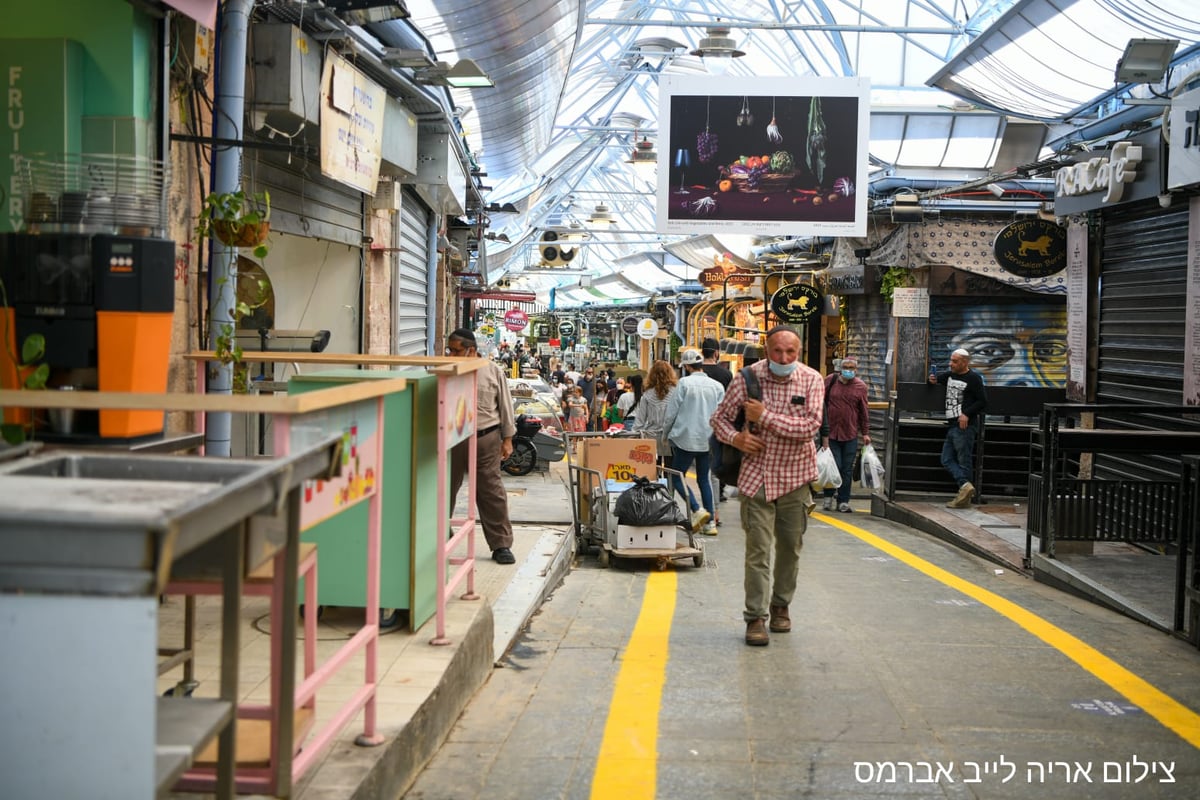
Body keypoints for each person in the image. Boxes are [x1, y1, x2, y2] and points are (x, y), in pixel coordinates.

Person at [710, 325, 824, 646]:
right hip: (756, 476)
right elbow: (719, 419)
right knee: (757, 550)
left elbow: (809, 428)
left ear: (798, 352)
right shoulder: (747, 379)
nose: (784, 357)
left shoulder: (812, 379)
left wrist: (766, 417)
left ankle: (781, 605)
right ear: (766, 350)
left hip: (796, 476)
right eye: (777, 351)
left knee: (790, 548)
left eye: (791, 352)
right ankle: (755, 617)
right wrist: (737, 438)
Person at [445, 328, 518, 564]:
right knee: (444, 488)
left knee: (491, 491)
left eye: (456, 350)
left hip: (486, 437)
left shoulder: (492, 371)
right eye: (450, 349)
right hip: (452, 438)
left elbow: (506, 407)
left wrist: (507, 439)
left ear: (472, 350)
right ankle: (438, 534)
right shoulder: (445, 369)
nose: (451, 354)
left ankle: (501, 545)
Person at [663, 349, 725, 535]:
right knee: (703, 479)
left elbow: (672, 413)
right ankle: (710, 524)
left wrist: (665, 434)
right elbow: (722, 415)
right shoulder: (717, 386)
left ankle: (697, 510)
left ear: (688, 366)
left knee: (677, 476)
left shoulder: (683, 384)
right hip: (708, 439)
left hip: (685, 438)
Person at [929, 347, 988, 509]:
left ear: (964, 362)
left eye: (955, 361)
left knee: (964, 461)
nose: (951, 364)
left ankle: (964, 497)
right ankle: (965, 486)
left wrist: (966, 414)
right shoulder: (950, 376)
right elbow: (935, 380)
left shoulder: (974, 378)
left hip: (965, 426)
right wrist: (932, 380)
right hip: (952, 424)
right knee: (946, 459)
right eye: (951, 360)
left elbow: (982, 401)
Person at [819, 356, 871, 513]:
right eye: (846, 367)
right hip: (831, 434)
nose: (848, 370)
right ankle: (828, 497)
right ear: (840, 368)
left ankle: (843, 501)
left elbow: (864, 411)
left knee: (846, 469)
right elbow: (820, 402)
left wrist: (866, 433)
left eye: (852, 368)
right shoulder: (830, 380)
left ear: (856, 370)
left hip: (850, 434)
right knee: (833, 466)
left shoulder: (860, 387)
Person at [632, 360, 678, 466]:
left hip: (651, 438)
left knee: (652, 470)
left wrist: (633, 435)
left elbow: (640, 420)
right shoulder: (676, 393)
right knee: (670, 470)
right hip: (670, 438)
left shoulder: (647, 395)